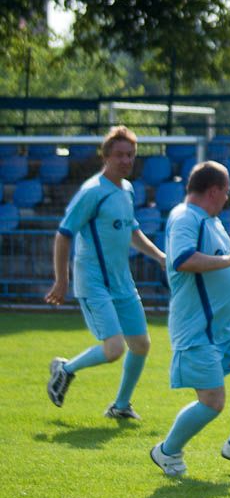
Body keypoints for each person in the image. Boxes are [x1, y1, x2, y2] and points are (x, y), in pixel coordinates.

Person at [150, 161, 230, 477]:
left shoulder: (211, 220)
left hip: (227, 324)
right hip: (198, 327)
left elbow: (214, 269)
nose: (227, 198)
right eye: (226, 191)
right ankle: (167, 451)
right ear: (214, 190)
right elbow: (181, 261)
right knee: (212, 402)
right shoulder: (184, 218)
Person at [44, 125, 166, 420]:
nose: (126, 160)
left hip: (122, 282)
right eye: (121, 155)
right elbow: (63, 235)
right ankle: (65, 369)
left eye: (131, 155)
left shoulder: (127, 189)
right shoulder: (92, 192)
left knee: (141, 345)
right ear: (106, 156)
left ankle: (120, 407)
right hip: (94, 282)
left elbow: (133, 230)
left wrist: (161, 257)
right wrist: (62, 280)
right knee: (114, 349)